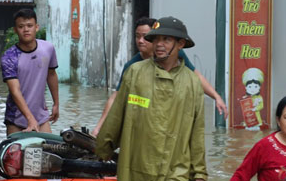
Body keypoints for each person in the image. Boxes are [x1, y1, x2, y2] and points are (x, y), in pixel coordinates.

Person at [96, 16, 207, 181]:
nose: (159, 45)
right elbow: (117, 115)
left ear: (180, 44)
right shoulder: (135, 73)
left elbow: (197, 129)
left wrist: (199, 171)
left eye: (166, 39)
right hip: (137, 165)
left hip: (175, 167)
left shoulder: (192, 83)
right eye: (156, 39)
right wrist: (103, 147)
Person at [90, 16, 229, 136]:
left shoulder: (176, 57)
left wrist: (216, 97)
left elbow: (196, 76)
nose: (140, 41)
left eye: (145, 36)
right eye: (137, 36)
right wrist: (99, 127)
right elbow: (117, 97)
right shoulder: (133, 68)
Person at [0, 8, 59, 135]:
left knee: (49, 152)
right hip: (16, 119)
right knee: (14, 154)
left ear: (36, 27)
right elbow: (15, 91)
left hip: (41, 117)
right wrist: (30, 119)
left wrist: (56, 103)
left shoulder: (48, 48)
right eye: (21, 26)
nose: (26, 29)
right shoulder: (9, 57)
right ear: (15, 30)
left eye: (29, 26)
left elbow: (51, 74)